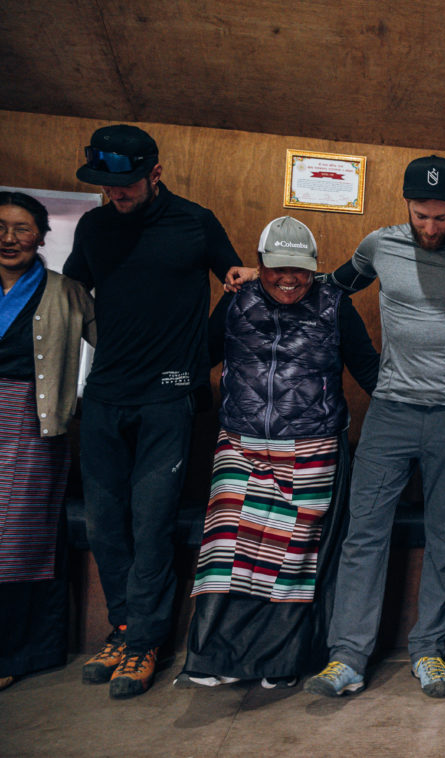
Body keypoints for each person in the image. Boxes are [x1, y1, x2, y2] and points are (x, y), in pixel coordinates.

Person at [291, 155, 445, 698]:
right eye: (421, 216)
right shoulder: (379, 244)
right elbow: (331, 285)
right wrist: (271, 275)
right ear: (406, 205)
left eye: (441, 217)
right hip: (390, 413)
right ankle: (348, 657)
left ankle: (429, 650)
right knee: (364, 534)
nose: (431, 228)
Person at [64, 124, 241, 698]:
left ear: (156, 173)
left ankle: (145, 642)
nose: (117, 194)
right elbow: (69, 296)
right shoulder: (93, 227)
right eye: (106, 185)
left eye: (128, 183)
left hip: (169, 396)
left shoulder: (195, 221)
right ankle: (121, 628)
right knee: (104, 524)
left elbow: (236, 284)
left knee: (153, 522)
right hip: (106, 394)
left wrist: (200, 361)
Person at [175, 217, 379, 689]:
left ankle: (279, 664)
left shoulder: (334, 304)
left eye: (301, 271)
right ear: (259, 264)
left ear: (315, 269)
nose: (289, 280)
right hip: (240, 444)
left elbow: (368, 370)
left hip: (312, 446)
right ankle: (215, 660)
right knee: (229, 555)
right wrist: (161, 382)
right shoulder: (236, 300)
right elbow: (199, 357)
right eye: (277, 269)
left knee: (291, 562)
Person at [0, 193, 95, 690]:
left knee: (17, 541)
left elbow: (112, 344)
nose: (8, 238)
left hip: (30, 424)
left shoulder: (66, 291)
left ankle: (15, 653)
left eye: (21, 228)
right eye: (0, 227)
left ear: (41, 236)